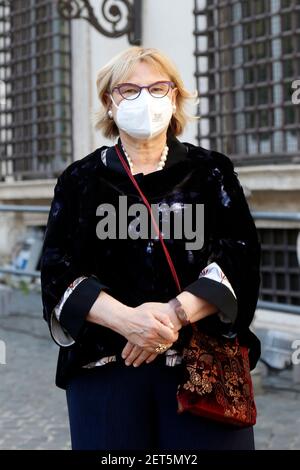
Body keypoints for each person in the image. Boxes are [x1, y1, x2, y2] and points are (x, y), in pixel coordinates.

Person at [40, 47, 261, 450]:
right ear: (109, 103)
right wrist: (127, 321)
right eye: (129, 89)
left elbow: (240, 255)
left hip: (200, 369)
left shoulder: (212, 172)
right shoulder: (79, 180)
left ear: (174, 98)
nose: (145, 99)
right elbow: (57, 271)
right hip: (106, 369)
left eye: (158, 88)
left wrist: (173, 315)